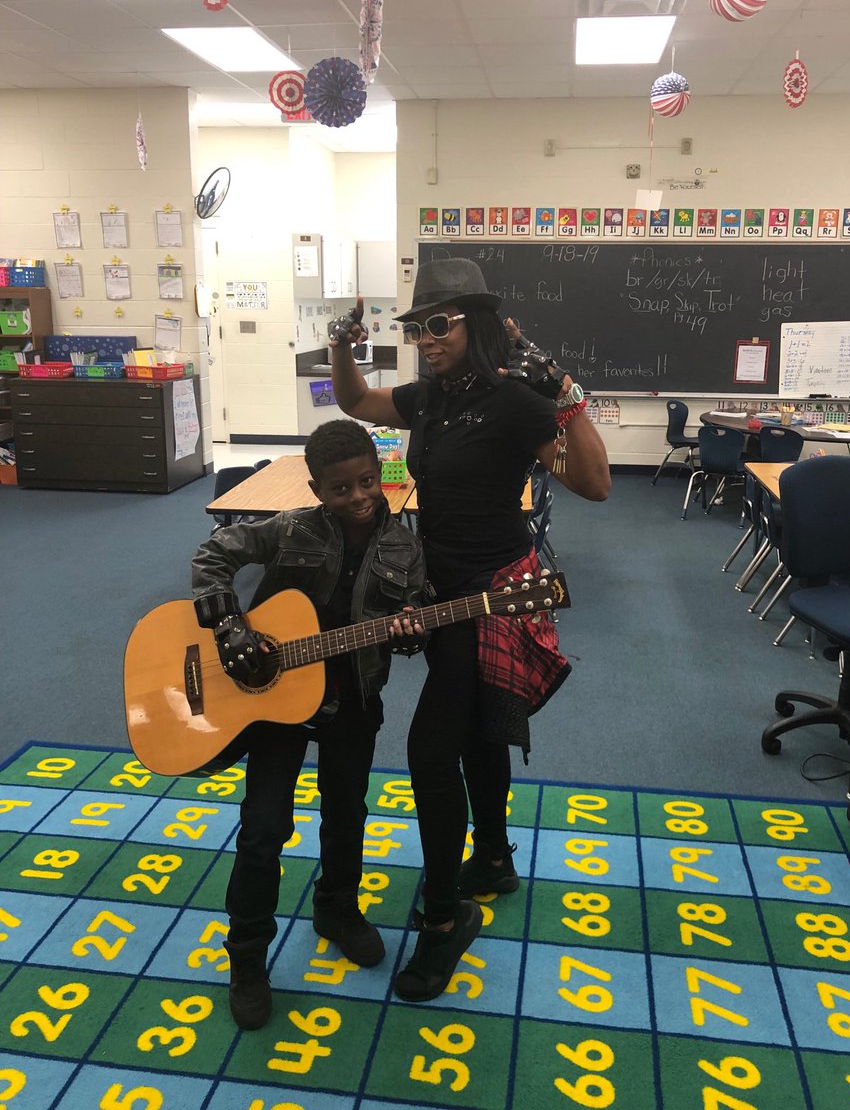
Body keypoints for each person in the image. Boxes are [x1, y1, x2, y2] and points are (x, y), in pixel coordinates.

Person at [329, 258, 611, 1002]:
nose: (426, 337)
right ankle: (491, 857)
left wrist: (560, 387)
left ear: (477, 325)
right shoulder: (430, 397)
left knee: (430, 749)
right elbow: (357, 399)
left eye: (442, 323)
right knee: (482, 727)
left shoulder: (516, 401)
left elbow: (595, 483)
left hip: (495, 594)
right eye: (419, 326)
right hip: (439, 587)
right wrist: (340, 346)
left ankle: (448, 917)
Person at [191, 419, 429, 1030]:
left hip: (353, 697)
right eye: (340, 488)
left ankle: (337, 909)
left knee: (348, 814)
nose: (358, 497)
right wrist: (230, 627)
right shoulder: (292, 526)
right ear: (317, 489)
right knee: (264, 827)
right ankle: (247, 959)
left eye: (367, 482)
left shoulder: (403, 547)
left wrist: (410, 628)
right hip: (276, 701)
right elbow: (214, 553)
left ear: (381, 476)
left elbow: (418, 607)